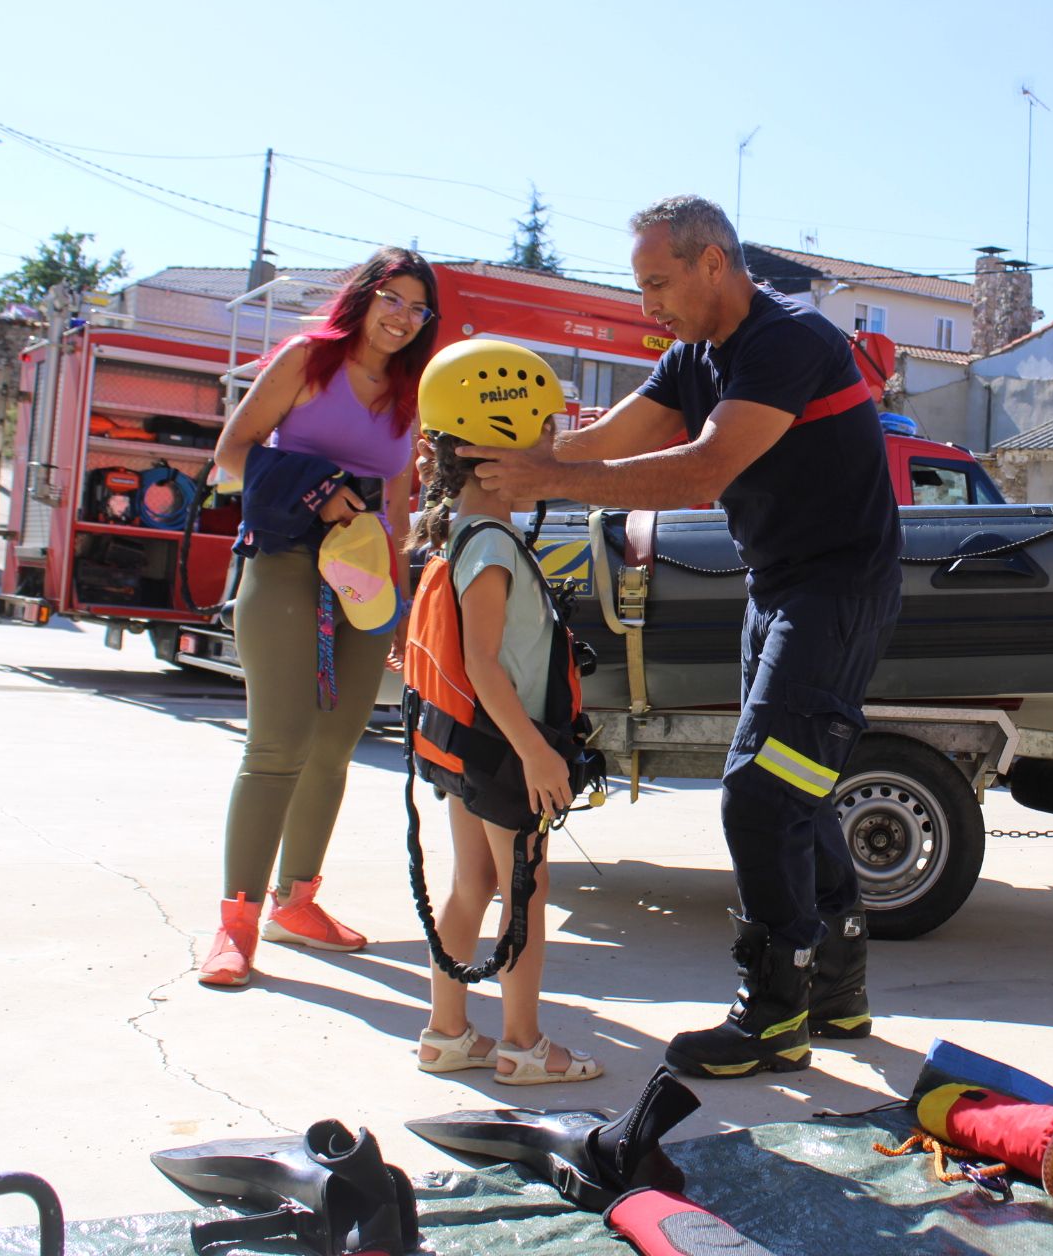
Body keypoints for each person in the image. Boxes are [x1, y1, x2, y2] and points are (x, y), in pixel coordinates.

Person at [460, 194, 901, 1079]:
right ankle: (839, 994)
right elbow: (613, 440)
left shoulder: (789, 341)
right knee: (799, 787)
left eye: (658, 282)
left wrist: (548, 475)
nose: (647, 304)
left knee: (761, 795)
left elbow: (700, 467)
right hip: (778, 587)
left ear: (713, 263)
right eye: (641, 286)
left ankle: (774, 1018)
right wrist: (505, 467)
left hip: (836, 590)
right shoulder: (693, 356)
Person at [199, 247, 438, 987]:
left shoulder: (409, 392)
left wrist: (401, 606)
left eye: (417, 307)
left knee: (336, 747)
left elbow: (400, 505)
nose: (402, 317)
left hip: (366, 582)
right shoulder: (308, 359)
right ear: (364, 297)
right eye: (391, 299)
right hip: (285, 564)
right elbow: (229, 455)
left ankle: (296, 903)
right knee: (277, 745)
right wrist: (319, 489)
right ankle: (234, 926)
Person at [406, 348, 602, 1085]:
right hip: (505, 748)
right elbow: (486, 664)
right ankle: (524, 1045)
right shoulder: (489, 546)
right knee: (525, 892)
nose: (556, 446)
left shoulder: (465, 531)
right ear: (499, 445)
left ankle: (447, 1034)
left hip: (470, 749)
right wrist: (538, 755)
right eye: (547, 433)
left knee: (473, 885)